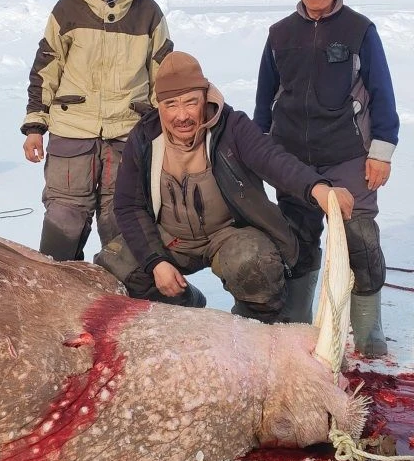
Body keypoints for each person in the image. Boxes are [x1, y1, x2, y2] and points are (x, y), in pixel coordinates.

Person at [95, 51, 355, 323]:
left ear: (204, 98)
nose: (181, 115)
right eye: (171, 105)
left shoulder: (232, 126)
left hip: (228, 233)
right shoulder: (144, 137)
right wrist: (156, 262)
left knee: (254, 265)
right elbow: (128, 205)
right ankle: (182, 303)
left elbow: (273, 160)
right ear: (159, 105)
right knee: (115, 266)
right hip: (172, 236)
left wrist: (318, 188)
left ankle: (250, 326)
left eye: (190, 102)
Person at [254, 0, 399, 356]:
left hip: (348, 155)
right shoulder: (280, 34)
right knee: (297, 242)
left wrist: (381, 152)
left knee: (360, 239)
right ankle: (298, 324)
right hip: (293, 159)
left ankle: (368, 329)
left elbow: (382, 94)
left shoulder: (359, 30)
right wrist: (261, 152)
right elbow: (266, 99)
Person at [21, 0, 173, 262]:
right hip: (71, 133)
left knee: (121, 226)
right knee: (64, 222)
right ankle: (57, 301)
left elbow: (164, 76)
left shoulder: (149, 13)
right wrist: (35, 125)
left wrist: (167, 132)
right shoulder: (67, 10)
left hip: (127, 135)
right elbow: (46, 68)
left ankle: (120, 307)